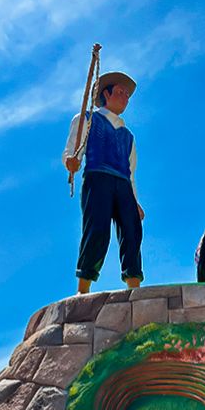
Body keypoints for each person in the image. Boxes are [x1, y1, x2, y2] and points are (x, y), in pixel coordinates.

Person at [62, 70, 144, 294]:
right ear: (106, 95)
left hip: (123, 184)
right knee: (97, 230)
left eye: (127, 94)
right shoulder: (86, 119)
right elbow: (72, 150)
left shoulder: (128, 136)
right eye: (120, 92)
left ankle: (134, 283)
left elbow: (131, 172)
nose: (125, 97)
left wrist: (135, 202)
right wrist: (71, 161)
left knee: (132, 230)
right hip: (97, 178)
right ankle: (84, 286)